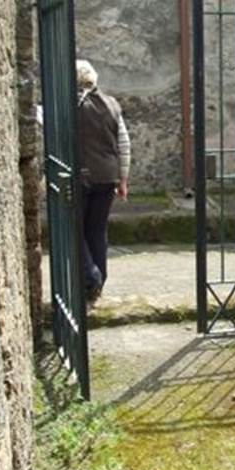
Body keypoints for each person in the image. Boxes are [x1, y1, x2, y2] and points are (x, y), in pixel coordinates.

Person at [75, 59, 130, 304]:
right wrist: (123, 179)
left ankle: (91, 275)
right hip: (108, 177)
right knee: (97, 230)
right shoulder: (112, 104)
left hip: (83, 176)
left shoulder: (73, 104)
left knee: (75, 229)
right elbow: (124, 144)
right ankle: (99, 282)